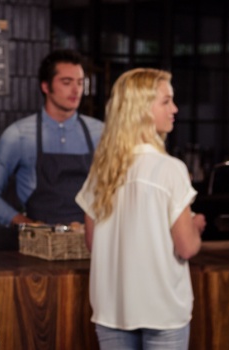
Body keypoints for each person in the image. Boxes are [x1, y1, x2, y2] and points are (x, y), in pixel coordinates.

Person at [75, 68, 206, 349]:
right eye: (166, 101)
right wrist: (195, 226)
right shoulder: (170, 169)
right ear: (142, 109)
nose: (175, 109)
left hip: (112, 311)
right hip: (163, 313)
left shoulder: (102, 171)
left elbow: (92, 243)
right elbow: (186, 247)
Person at [0, 49, 104, 231]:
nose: (76, 90)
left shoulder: (100, 132)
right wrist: (29, 225)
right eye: (67, 82)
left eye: (80, 82)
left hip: (90, 241)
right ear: (46, 86)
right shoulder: (19, 135)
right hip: (38, 245)